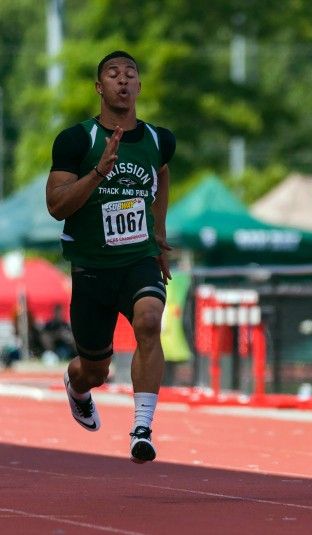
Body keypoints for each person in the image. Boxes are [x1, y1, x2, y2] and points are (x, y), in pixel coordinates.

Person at [46, 51, 175, 464]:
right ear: (99, 88)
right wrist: (99, 171)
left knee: (150, 321)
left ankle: (142, 427)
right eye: (113, 75)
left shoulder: (158, 139)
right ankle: (77, 385)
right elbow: (57, 205)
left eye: (130, 74)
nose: (123, 81)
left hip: (138, 260)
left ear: (139, 86)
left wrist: (158, 231)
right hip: (91, 270)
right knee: (95, 370)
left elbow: (162, 172)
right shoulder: (75, 140)